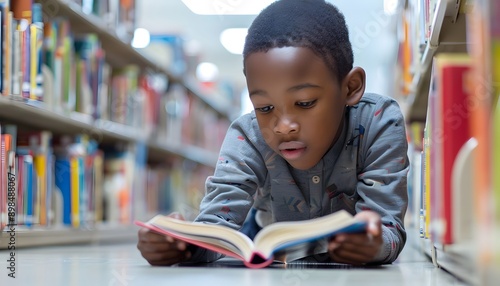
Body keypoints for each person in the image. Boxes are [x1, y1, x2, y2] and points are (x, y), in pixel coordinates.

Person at [137, 0, 409, 266]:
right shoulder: (248, 135)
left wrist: (374, 243)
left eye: (304, 103)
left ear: (350, 88)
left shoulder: (379, 122)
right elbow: (216, 225)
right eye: (265, 107)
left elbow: (388, 227)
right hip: (265, 247)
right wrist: (181, 246)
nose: (283, 125)